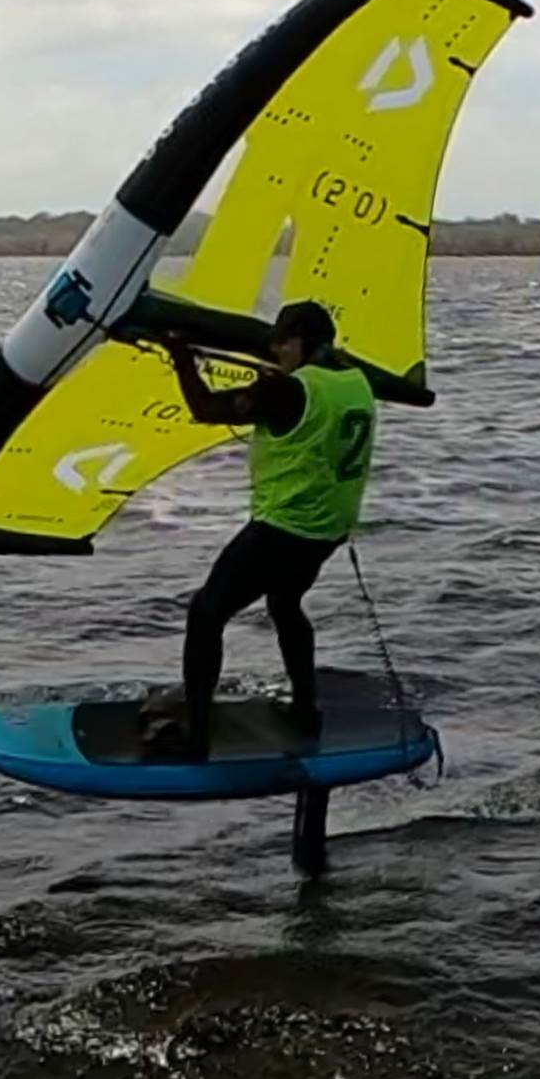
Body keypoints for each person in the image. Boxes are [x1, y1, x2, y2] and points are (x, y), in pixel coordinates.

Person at [140, 299, 376, 761]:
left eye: (281, 344)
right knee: (285, 603)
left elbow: (205, 407)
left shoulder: (289, 389)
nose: (275, 352)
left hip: (285, 527)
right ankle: (306, 709)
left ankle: (198, 738)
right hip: (330, 527)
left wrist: (181, 355)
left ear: (299, 343)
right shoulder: (356, 380)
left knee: (206, 612)